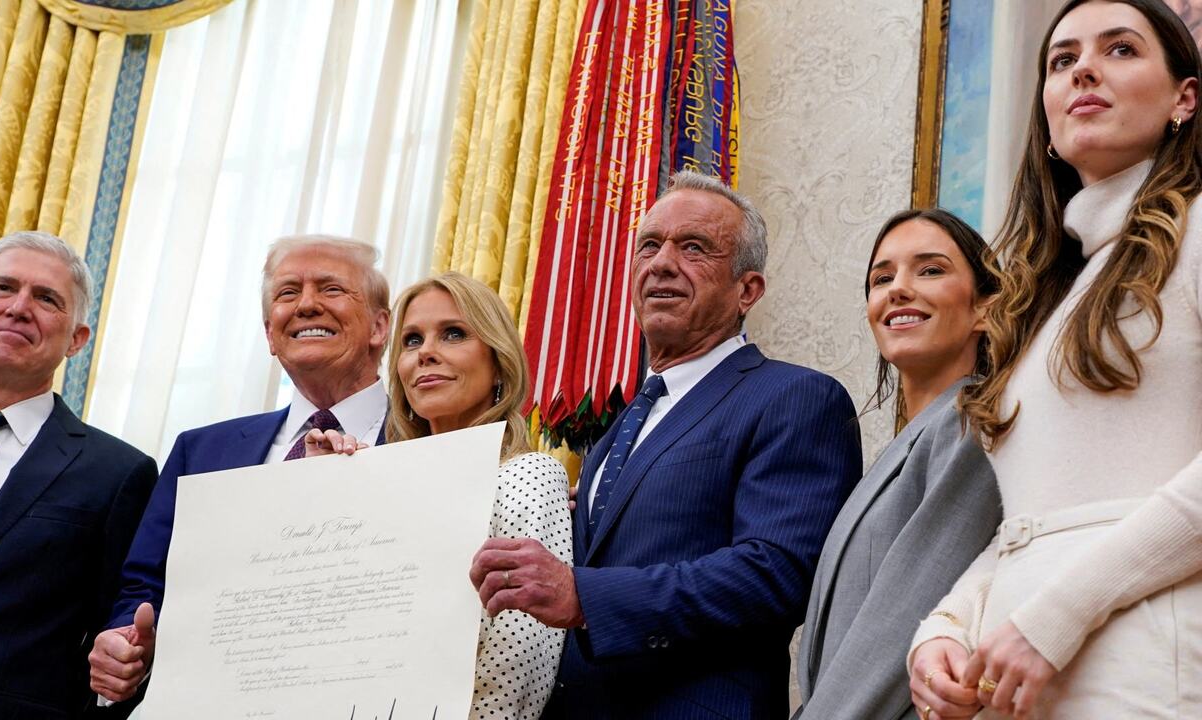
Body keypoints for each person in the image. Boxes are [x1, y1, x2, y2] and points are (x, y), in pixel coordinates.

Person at [469, 170, 864, 718]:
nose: (661, 263)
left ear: (747, 289)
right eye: (649, 245)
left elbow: (776, 575)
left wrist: (584, 595)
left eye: (694, 247)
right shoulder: (619, 429)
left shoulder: (796, 397)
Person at [909, 1, 1202, 717]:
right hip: (1016, 684)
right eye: (1062, 60)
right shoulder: (1049, 299)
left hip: (1146, 674)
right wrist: (946, 625)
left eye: (1121, 50)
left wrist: (1056, 616)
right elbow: (1034, 520)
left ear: (1184, 100)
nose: (1085, 71)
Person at [88, 235, 391, 703]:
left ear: (379, 326)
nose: (307, 304)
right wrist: (126, 641)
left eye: (331, 289)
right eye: (288, 294)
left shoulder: (430, 442)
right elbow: (144, 586)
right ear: (270, 334)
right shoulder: (201, 451)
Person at [307, 271, 571, 720]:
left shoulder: (529, 474)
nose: (426, 352)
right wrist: (321, 498)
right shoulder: (373, 482)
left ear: (498, 363)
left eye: (453, 334)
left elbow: (517, 672)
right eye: (411, 341)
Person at [0, 232, 157, 717]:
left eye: (46, 298)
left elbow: (119, 629)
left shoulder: (120, 473)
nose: (18, 307)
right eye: (3, 288)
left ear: (76, 339)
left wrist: (126, 658)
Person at [794, 209, 1001, 720]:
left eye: (930, 270)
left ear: (985, 309)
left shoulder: (970, 423)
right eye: (882, 278)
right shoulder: (915, 439)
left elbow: (899, 625)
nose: (898, 289)